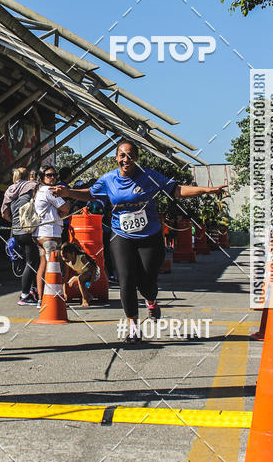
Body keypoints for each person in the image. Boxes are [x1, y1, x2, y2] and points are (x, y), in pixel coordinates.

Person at [53, 140, 224, 344]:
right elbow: (90, 194)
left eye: (130, 155)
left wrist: (206, 190)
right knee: (126, 279)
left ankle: (151, 300)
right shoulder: (109, 179)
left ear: (136, 158)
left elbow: (176, 190)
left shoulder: (149, 176)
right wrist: (67, 193)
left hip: (149, 236)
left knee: (147, 280)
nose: (126, 159)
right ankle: (133, 328)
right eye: (122, 155)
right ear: (117, 158)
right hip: (121, 235)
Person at [1, 166, 39, 305]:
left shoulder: (9, 190)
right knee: (33, 262)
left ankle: (32, 290)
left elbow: (4, 214)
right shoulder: (33, 186)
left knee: (27, 262)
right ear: (28, 175)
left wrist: (14, 222)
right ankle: (25, 295)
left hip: (16, 231)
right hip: (29, 230)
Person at [34, 165, 70, 305]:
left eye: (54, 175)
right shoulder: (49, 191)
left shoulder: (39, 191)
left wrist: (61, 210)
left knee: (44, 265)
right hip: (49, 233)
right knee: (52, 266)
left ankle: (41, 298)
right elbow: (66, 208)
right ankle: (53, 299)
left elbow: (61, 210)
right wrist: (65, 204)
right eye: (49, 175)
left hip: (41, 233)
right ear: (42, 177)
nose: (53, 177)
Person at [60, 241, 100, 307]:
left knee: (80, 278)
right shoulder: (67, 262)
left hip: (95, 274)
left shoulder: (82, 258)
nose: (64, 259)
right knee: (71, 283)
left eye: (66, 256)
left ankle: (85, 299)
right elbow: (65, 277)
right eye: (62, 257)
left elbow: (93, 269)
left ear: (73, 254)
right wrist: (64, 293)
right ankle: (88, 295)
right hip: (83, 274)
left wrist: (91, 282)